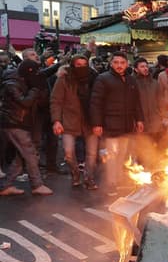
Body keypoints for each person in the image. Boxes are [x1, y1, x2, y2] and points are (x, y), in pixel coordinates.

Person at [89, 52, 145, 195]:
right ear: (111, 64)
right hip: (110, 125)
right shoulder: (103, 79)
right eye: (116, 62)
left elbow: (137, 102)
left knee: (122, 155)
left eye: (122, 63)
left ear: (127, 64)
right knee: (111, 157)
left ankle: (118, 180)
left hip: (126, 126)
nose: (119, 66)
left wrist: (139, 119)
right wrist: (97, 124)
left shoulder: (131, 80)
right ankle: (111, 184)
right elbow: (96, 103)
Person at [0, 59, 54, 195]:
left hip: (20, 122)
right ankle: (37, 185)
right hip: (14, 123)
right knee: (30, 154)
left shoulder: (23, 79)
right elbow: (25, 102)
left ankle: (6, 186)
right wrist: (36, 89)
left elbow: (43, 74)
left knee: (21, 156)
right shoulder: (12, 84)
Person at [50, 54, 99, 188]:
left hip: (90, 120)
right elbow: (56, 101)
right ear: (73, 65)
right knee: (68, 153)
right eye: (78, 65)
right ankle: (75, 173)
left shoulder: (94, 79)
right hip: (70, 121)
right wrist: (57, 120)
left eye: (84, 65)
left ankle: (89, 178)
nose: (82, 68)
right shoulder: (64, 79)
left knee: (92, 154)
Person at [132, 57, 163, 169]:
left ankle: (153, 171)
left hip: (155, 122)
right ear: (136, 69)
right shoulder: (132, 83)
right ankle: (142, 174)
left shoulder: (154, 83)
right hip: (140, 122)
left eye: (146, 66)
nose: (145, 68)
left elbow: (160, 101)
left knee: (154, 148)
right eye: (142, 66)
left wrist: (162, 117)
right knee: (141, 149)